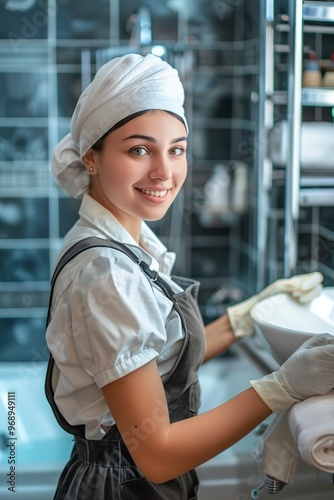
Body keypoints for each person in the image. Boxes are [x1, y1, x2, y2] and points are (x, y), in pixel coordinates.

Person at [45, 53, 334, 500]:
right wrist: (281, 388)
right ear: (92, 158)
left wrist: (244, 317)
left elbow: (156, 363)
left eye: (176, 149)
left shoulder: (124, 243)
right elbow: (157, 455)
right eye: (139, 149)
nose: (164, 171)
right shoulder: (108, 274)